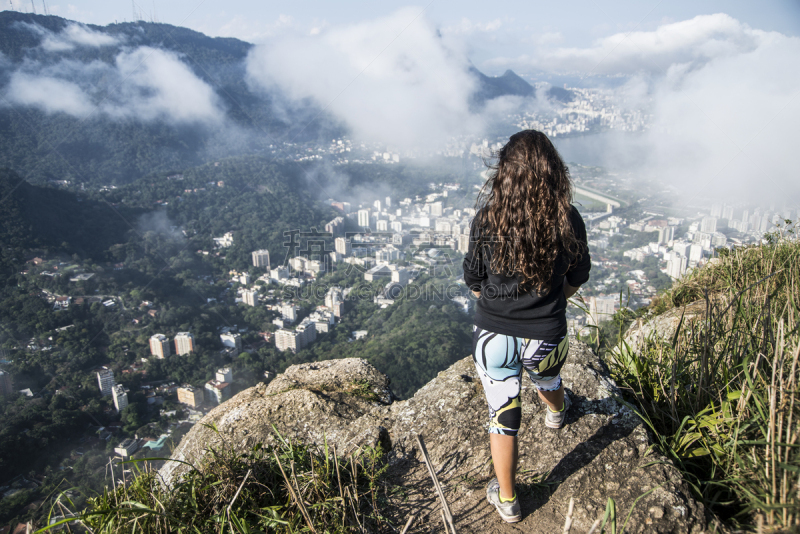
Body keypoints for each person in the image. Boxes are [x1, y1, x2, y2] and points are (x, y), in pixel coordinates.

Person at [462, 130, 591, 523]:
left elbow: (474, 280)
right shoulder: (567, 218)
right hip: (547, 336)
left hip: (493, 338)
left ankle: (508, 500)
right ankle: (556, 413)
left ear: (504, 173)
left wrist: (494, 305)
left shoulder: (487, 218)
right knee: (548, 379)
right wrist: (553, 302)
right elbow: (578, 275)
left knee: (502, 416)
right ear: (554, 171)